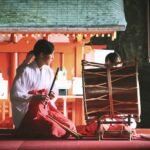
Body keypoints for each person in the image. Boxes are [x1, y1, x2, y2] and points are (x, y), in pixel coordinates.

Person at [10, 39, 76, 138]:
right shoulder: (25, 71)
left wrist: (51, 95)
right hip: (30, 113)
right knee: (53, 128)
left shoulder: (48, 71)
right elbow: (15, 94)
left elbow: (52, 90)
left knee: (69, 125)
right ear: (41, 55)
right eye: (51, 54)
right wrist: (34, 97)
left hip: (45, 109)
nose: (53, 57)